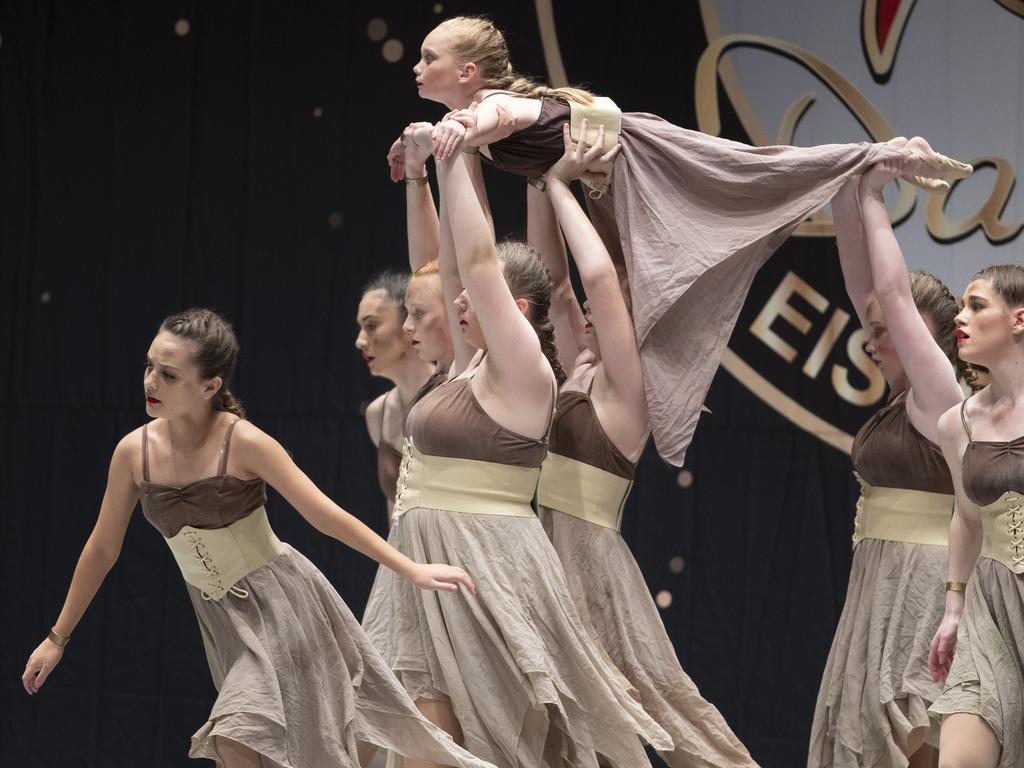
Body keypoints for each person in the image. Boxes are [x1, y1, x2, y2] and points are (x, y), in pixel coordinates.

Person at [405, 15, 972, 467]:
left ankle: (869, 157)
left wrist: (469, 132)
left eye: (430, 56)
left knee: (748, 173)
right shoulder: (575, 366)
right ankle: (861, 168)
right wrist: (442, 162)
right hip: (604, 177)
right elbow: (552, 283)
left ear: (469, 72)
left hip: (637, 155)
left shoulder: (496, 109)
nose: (417, 65)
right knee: (724, 192)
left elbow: (508, 120)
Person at [22, 308, 495, 768]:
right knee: (256, 749)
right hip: (222, 621)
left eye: (168, 374)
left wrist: (409, 567)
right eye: (149, 366)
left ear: (210, 386)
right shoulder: (133, 452)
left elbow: (324, 514)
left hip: (283, 608)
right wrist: (57, 638)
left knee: (234, 731)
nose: (150, 381)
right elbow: (102, 549)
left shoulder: (243, 442)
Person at [362, 145, 672, 767]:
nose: (451, 305)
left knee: (520, 740)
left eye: (475, 300)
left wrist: (495, 164)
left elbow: (513, 271)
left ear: (513, 312)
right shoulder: (467, 365)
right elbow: (447, 263)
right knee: (423, 734)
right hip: (436, 560)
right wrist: (436, 168)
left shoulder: (537, 375)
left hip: (506, 557)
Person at [534, 121, 760, 768]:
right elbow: (555, 287)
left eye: (614, 309)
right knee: (562, 729)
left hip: (589, 566)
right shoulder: (577, 371)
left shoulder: (625, 393)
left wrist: (558, 183)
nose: (590, 310)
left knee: (653, 707)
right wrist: (535, 176)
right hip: (540, 556)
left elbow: (598, 281)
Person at [808, 152, 967, 768]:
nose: (875, 342)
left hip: (922, 579)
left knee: (910, 728)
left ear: (930, 335)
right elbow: (867, 288)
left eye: (890, 332)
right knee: (875, 738)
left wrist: (874, 193)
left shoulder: (941, 397)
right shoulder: (907, 400)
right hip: (880, 577)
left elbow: (893, 297)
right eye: (871, 332)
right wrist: (846, 189)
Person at [928, 265, 1024, 768]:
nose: (960, 318)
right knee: (962, 755)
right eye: (960, 307)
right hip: (992, 606)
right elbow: (966, 519)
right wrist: (953, 609)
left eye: (977, 305)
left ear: (1019, 318)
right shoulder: (957, 423)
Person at [357, 270, 437, 520]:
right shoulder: (377, 414)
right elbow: (395, 508)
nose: (360, 341)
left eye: (371, 326)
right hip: (406, 554)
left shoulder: (453, 395)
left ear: (409, 324)